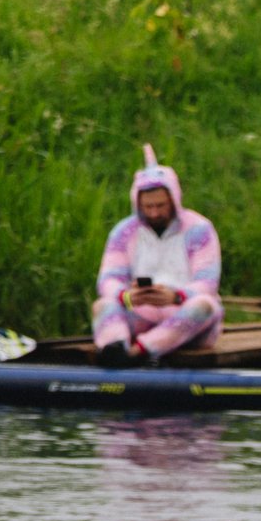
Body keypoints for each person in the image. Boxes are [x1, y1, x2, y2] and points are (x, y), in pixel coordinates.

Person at [92, 145, 222, 366]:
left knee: (205, 305)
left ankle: (138, 352)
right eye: (148, 206)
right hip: (140, 310)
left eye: (160, 205)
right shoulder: (123, 232)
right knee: (102, 306)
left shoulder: (199, 229)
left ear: (174, 199)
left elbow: (207, 282)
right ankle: (115, 347)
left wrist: (176, 296)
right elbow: (108, 279)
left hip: (183, 315)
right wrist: (127, 296)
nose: (154, 212)